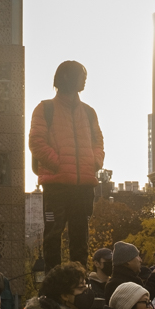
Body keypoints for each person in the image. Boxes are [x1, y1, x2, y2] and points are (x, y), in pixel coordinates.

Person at [30, 61, 104, 268]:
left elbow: (98, 142)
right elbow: (36, 142)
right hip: (56, 186)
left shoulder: (89, 112)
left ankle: (78, 283)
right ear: (66, 77)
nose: (85, 79)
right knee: (53, 235)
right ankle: (54, 283)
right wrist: (59, 165)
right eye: (81, 75)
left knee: (80, 238)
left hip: (84, 186)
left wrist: (95, 162)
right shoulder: (45, 108)